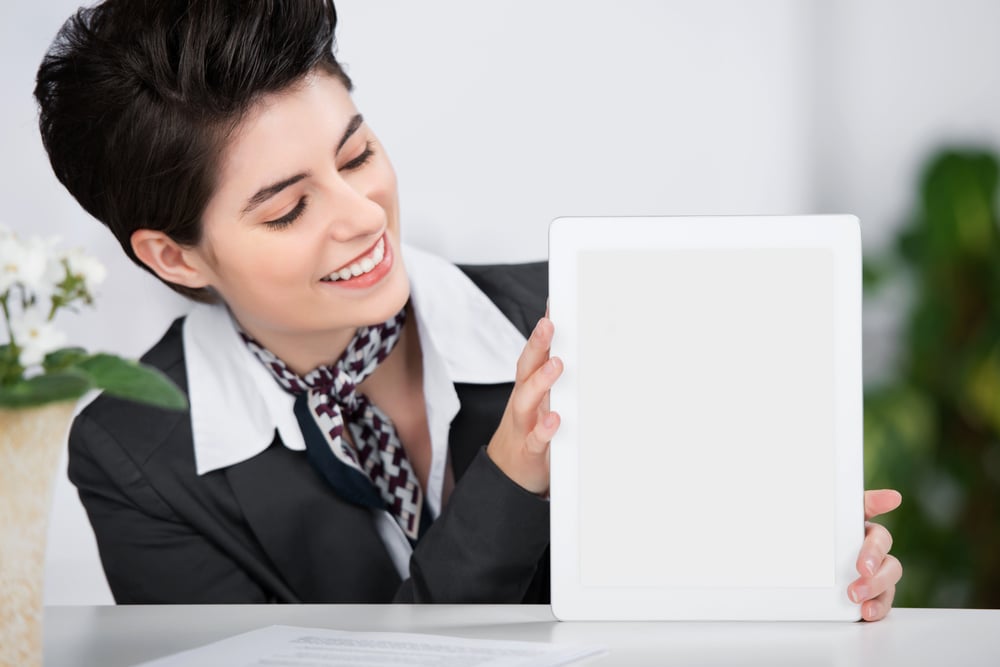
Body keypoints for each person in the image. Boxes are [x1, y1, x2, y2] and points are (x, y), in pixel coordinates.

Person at [34, 0, 902, 617]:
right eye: (289, 208)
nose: (364, 215)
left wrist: (800, 573)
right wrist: (515, 473)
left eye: (359, 152)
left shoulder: (579, 314)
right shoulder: (136, 458)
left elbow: (688, 611)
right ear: (174, 254)